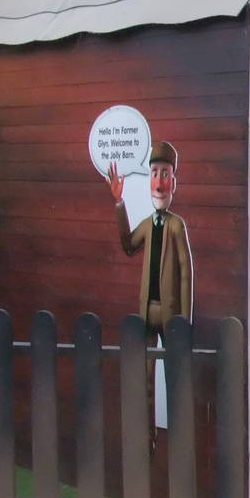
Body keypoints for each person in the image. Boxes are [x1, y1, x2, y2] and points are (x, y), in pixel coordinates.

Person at [106, 140, 194, 345]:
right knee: (145, 369)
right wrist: (119, 202)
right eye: (154, 173)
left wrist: (186, 321)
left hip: (170, 313)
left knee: (174, 366)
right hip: (146, 310)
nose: (159, 183)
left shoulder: (176, 225)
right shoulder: (147, 224)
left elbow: (186, 273)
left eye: (165, 174)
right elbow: (129, 246)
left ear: (173, 182)